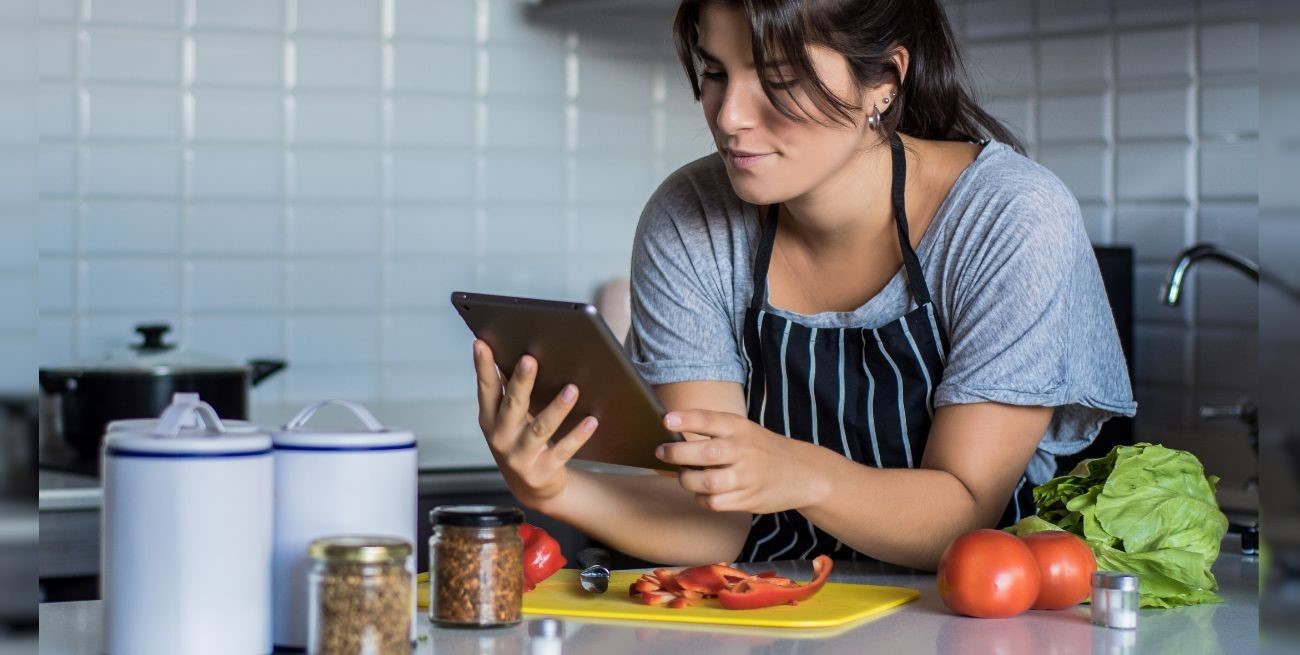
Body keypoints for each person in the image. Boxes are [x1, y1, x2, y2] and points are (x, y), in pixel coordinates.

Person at [471, 0, 1135, 570]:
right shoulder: (689, 220)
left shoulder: (1009, 217)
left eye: (779, 81)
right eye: (714, 73)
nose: (730, 116)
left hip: (962, 616)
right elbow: (714, 523)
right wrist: (556, 489)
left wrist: (803, 472)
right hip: (769, 608)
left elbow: (962, 512)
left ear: (883, 83)